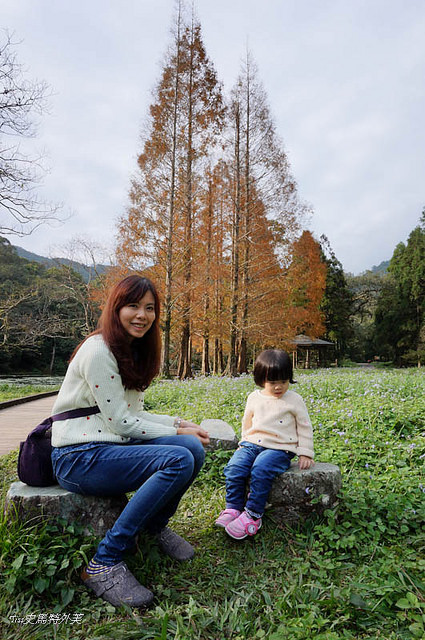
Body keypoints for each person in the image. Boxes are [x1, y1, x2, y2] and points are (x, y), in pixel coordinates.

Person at [51, 274, 209, 608]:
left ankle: (154, 527)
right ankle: (104, 562)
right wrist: (176, 431)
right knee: (178, 457)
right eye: (132, 306)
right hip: (77, 456)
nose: (142, 315)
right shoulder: (98, 350)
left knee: (193, 449)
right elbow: (122, 423)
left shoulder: (129, 350)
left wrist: (181, 424)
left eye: (149, 308)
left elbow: (133, 413)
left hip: (107, 447)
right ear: (116, 308)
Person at [215, 349, 314, 540]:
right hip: (252, 444)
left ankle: (253, 514)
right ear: (261, 379)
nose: (278, 387)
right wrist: (243, 442)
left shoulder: (294, 400)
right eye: (273, 383)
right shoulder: (254, 397)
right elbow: (247, 422)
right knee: (235, 466)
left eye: (283, 382)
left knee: (261, 468)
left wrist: (305, 452)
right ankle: (233, 508)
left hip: (280, 448)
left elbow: (304, 427)